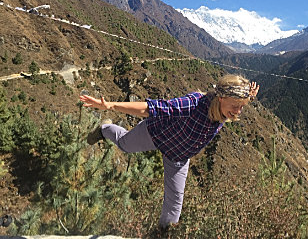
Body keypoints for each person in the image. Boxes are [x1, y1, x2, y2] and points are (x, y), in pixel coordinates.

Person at [79, 74, 259, 228]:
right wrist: (110, 106)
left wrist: (248, 97)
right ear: (220, 98)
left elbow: (236, 101)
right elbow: (150, 108)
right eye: (236, 105)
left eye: (242, 106)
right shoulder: (192, 105)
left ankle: (163, 234)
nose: (238, 111)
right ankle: (104, 129)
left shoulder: (227, 107)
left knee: (174, 205)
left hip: (178, 156)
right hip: (156, 133)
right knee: (124, 144)